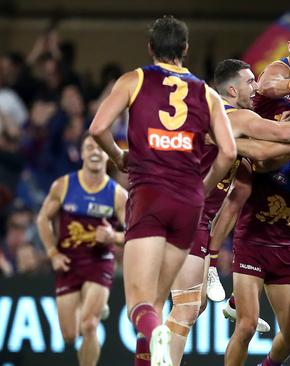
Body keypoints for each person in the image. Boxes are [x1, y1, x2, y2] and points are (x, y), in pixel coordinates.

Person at [166, 59, 290, 366]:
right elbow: (269, 148)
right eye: (249, 82)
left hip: (220, 226)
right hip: (205, 222)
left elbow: (240, 188)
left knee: (194, 305)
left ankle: (157, 344)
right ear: (232, 89)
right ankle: (154, 353)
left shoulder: (227, 123)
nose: (255, 88)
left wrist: (213, 255)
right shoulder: (237, 117)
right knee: (195, 309)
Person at [88, 16, 237, 366]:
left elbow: (97, 128)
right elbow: (229, 152)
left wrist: (119, 156)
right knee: (158, 301)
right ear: (185, 50)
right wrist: (202, 187)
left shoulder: (134, 79)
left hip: (150, 195)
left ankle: (158, 333)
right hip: (189, 203)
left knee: (140, 306)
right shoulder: (207, 92)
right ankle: (154, 344)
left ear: (150, 48)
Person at [205, 21, 290, 297]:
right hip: (258, 145)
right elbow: (265, 87)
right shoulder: (281, 69)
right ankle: (214, 264)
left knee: (261, 199)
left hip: (266, 147)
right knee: (244, 189)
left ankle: (239, 292)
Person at [36, 133, 127, 366]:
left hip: (100, 261)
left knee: (89, 324)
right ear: (82, 153)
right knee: (69, 335)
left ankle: (95, 308)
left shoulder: (118, 194)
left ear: (107, 155)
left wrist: (113, 236)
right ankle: (96, 305)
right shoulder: (64, 185)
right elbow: (43, 220)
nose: (95, 152)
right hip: (68, 262)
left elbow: (136, 233)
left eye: (100, 148)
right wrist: (52, 253)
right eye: (90, 147)